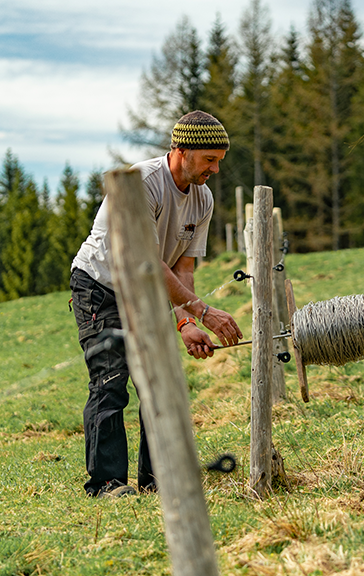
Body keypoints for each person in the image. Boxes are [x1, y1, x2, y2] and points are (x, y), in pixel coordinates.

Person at [70, 110, 243, 498]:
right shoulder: (144, 183)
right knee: (111, 378)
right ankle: (108, 483)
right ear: (181, 151)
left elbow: (182, 268)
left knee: (159, 377)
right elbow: (147, 260)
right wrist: (203, 311)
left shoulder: (203, 198)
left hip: (149, 289)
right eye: (209, 160)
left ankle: (157, 480)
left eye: (219, 161)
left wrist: (186, 324)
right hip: (101, 285)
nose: (215, 169)